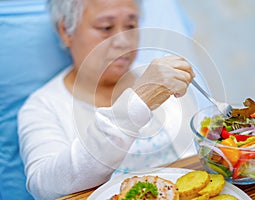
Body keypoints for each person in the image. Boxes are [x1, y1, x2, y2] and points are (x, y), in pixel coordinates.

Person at [17, 0, 199, 199]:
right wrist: (139, 102)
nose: (123, 41)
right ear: (65, 31)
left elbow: (199, 158)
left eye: (130, 26)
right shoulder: (43, 106)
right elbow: (44, 188)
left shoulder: (163, 77)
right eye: (106, 27)